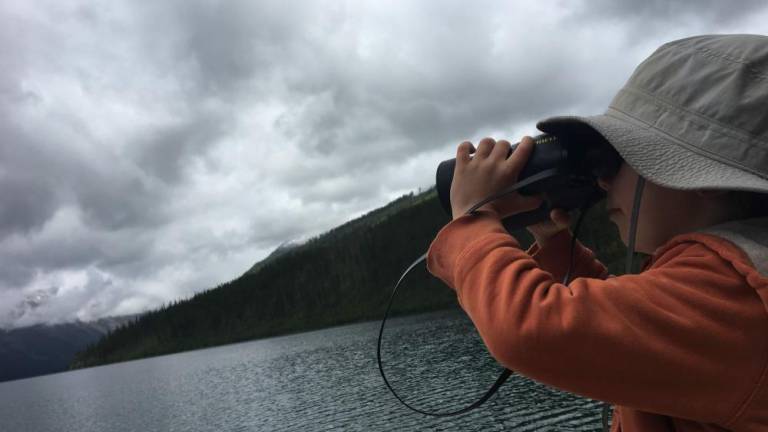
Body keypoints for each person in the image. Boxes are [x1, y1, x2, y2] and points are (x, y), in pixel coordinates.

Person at [427, 34, 768, 431]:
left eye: (615, 162)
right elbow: (631, 342)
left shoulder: (734, 291)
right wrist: (555, 246)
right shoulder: (734, 278)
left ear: (702, 177)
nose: (603, 184)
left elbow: (529, 329)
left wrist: (474, 220)